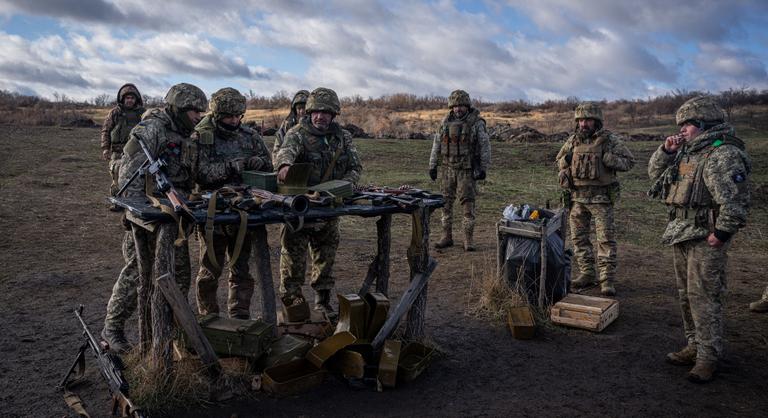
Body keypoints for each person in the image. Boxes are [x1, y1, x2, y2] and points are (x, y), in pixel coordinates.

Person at [648, 95, 751, 383]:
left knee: (705, 297)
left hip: (706, 238)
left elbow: (735, 201)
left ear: (705, 124)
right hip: (681, 233)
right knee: (685, 295)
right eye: (680, 124)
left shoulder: (722, 154)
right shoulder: (688, 152)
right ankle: (693, 345)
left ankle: (708, 356)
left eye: (688, 124)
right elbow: (655, 176)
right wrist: (666, 151)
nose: (682, 130)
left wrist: (722, 233)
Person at [102, 83, 207, 352]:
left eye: (200, 110)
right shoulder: (153, 129)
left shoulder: (188, 135)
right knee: (138, 271)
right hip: (149, 218)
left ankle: (171, 334)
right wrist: (138, 214)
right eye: (194, 110)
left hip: (176, 218)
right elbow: (129, 174)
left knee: (180, 275)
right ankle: (112, 328)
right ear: (179, 108)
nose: (198, 115)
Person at [274, 87, 362, 319]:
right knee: (293, 260)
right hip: (301, 209)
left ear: (333, 114)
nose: (320, 116)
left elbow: (355, 167)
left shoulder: (343, 137)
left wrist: (344, 185)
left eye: (326, 112)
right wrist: (284, 167)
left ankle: (323, 302)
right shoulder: (297, 133)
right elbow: (285, 153)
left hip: (329, 209)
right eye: (316, 111)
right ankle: (293, 306)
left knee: (326, 258)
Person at [189, 87, 273, 319]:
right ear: (217, 115)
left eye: (238, 116)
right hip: (212, 213)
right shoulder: (202, 136)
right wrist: (230, 167)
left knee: (242, 269)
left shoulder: (250, 136)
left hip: (244, 212)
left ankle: (239, 316)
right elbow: (198, 173)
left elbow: (269, 166)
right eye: (229, 116)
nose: (234, 121)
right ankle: (209, 318)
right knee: (209, 269)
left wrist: (258, 162)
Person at [555, 102, 635, 296]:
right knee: (579, 239)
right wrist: (566, 160)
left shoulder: (609, 140)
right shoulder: (573, 140)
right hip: (577, 199)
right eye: (581, 120)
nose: (583, 124)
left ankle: (606, 279)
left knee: (605, 240)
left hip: (601, 199)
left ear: (597, 121)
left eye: (588, 120)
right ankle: (587, 273)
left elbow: (629, 162)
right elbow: (558, 161)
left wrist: (610, 160)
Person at [428, 89, 491, 251]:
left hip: (467, 169)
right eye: (455, 106)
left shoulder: (476, 123)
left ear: (467, 106)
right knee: (445, 203)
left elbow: (485, 146)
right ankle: (446, 236)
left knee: (468, 204)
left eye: (461, 105)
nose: (458, 109)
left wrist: (483, 168)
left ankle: (468, 239)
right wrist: (432, 165)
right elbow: (436, 144)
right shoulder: (444, 122)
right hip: (448, 168)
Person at [101, 83, 146, 199]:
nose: (130, 100)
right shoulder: (115, 113)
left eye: (132, 98)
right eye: (127, 98)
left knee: (136, 178)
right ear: (123, 98)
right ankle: (116, 201)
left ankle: (135, 201)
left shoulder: (143, 113)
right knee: (117, 176)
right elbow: (106, 131)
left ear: (136, 99)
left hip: (136, 152)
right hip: (117, 152)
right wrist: (105, 149)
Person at [273, 90, 309, 166]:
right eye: (299, 108)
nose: (302, 111)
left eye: (304, 108)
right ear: (295, 110)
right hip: (288, 164)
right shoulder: (287, 124)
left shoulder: (315, 125)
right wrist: (278, 167)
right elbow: (277, 148)